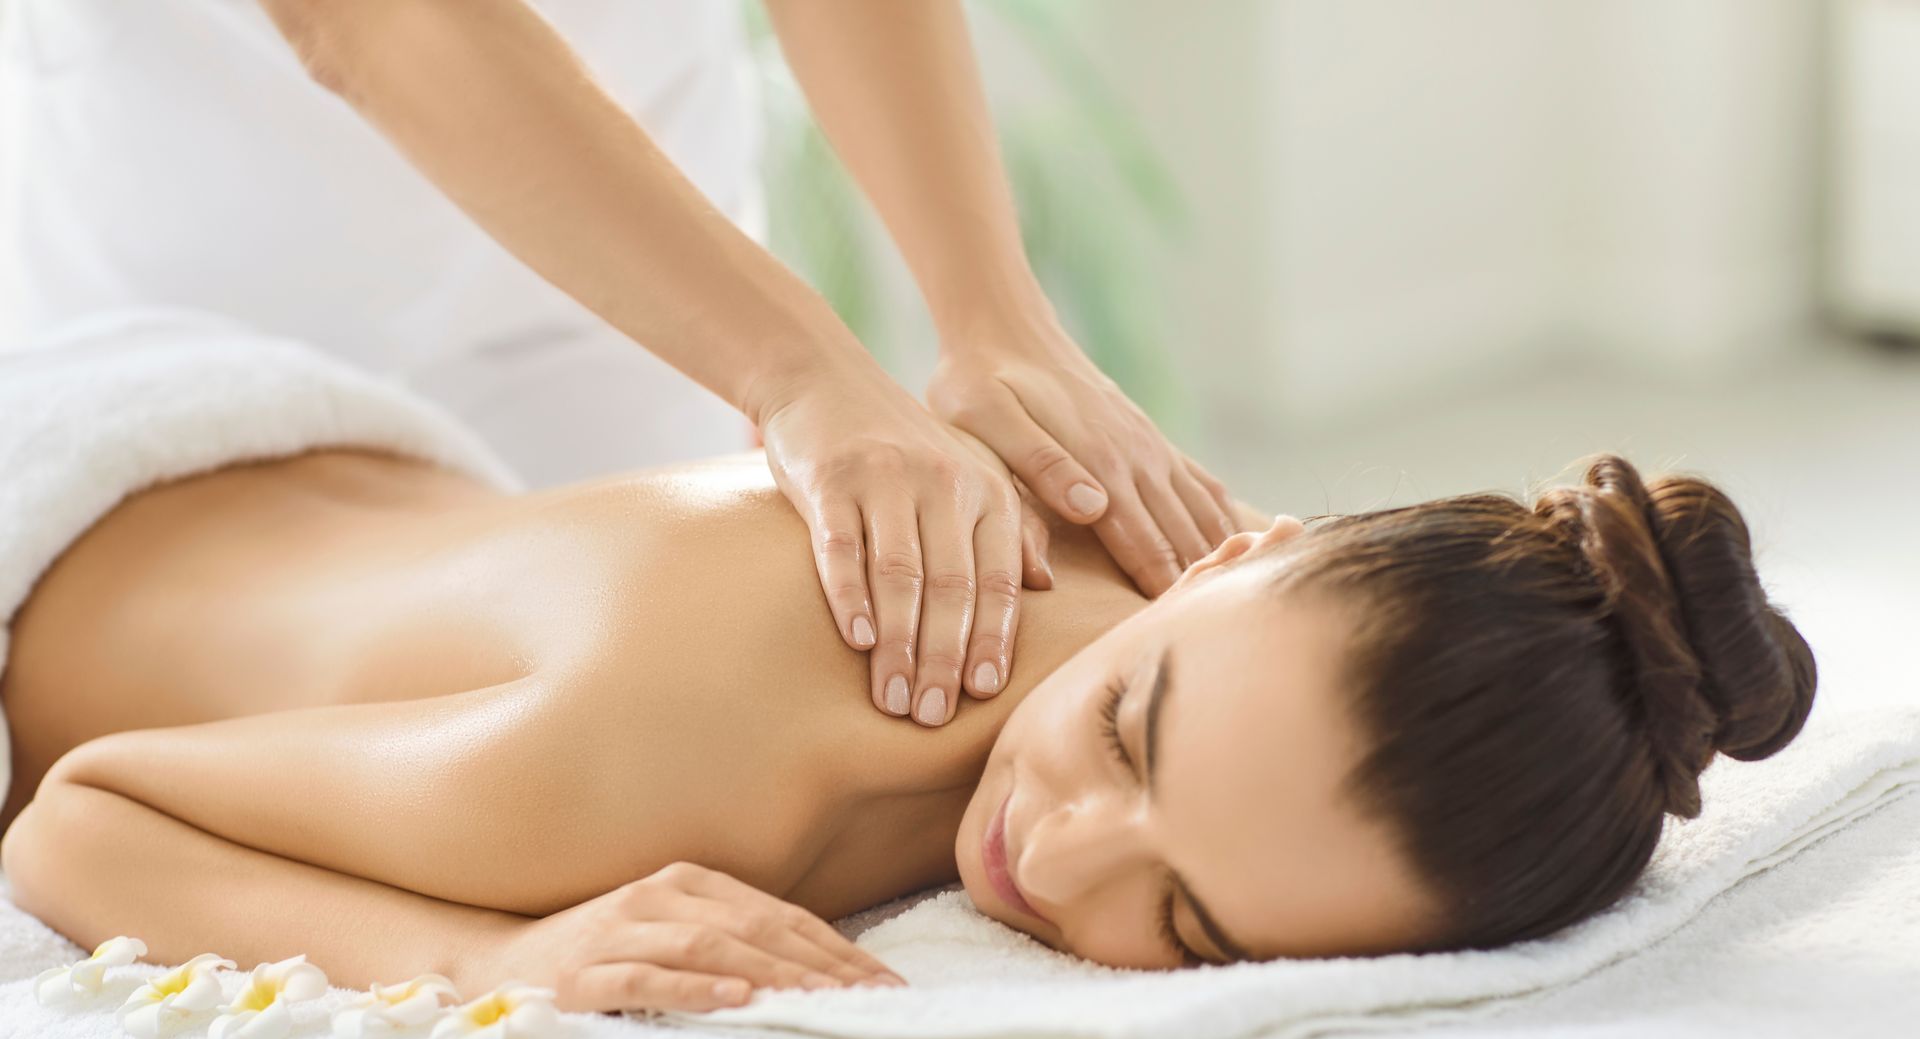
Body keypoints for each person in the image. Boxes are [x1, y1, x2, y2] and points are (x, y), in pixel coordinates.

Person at [0, 442, 1816, 1014]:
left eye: (1188, 928)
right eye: (1128, 733)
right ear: (1234, 548)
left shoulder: (1218, 622)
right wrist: (506, 950)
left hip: (341, 490)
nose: (1063, 855)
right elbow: (76, 825)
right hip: (64, 512)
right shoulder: (624, 764)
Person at [0, 0, 1246, 727]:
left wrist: (998, 317)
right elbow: (380, 20)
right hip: (207, 308)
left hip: (643, 298)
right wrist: (799, 366)